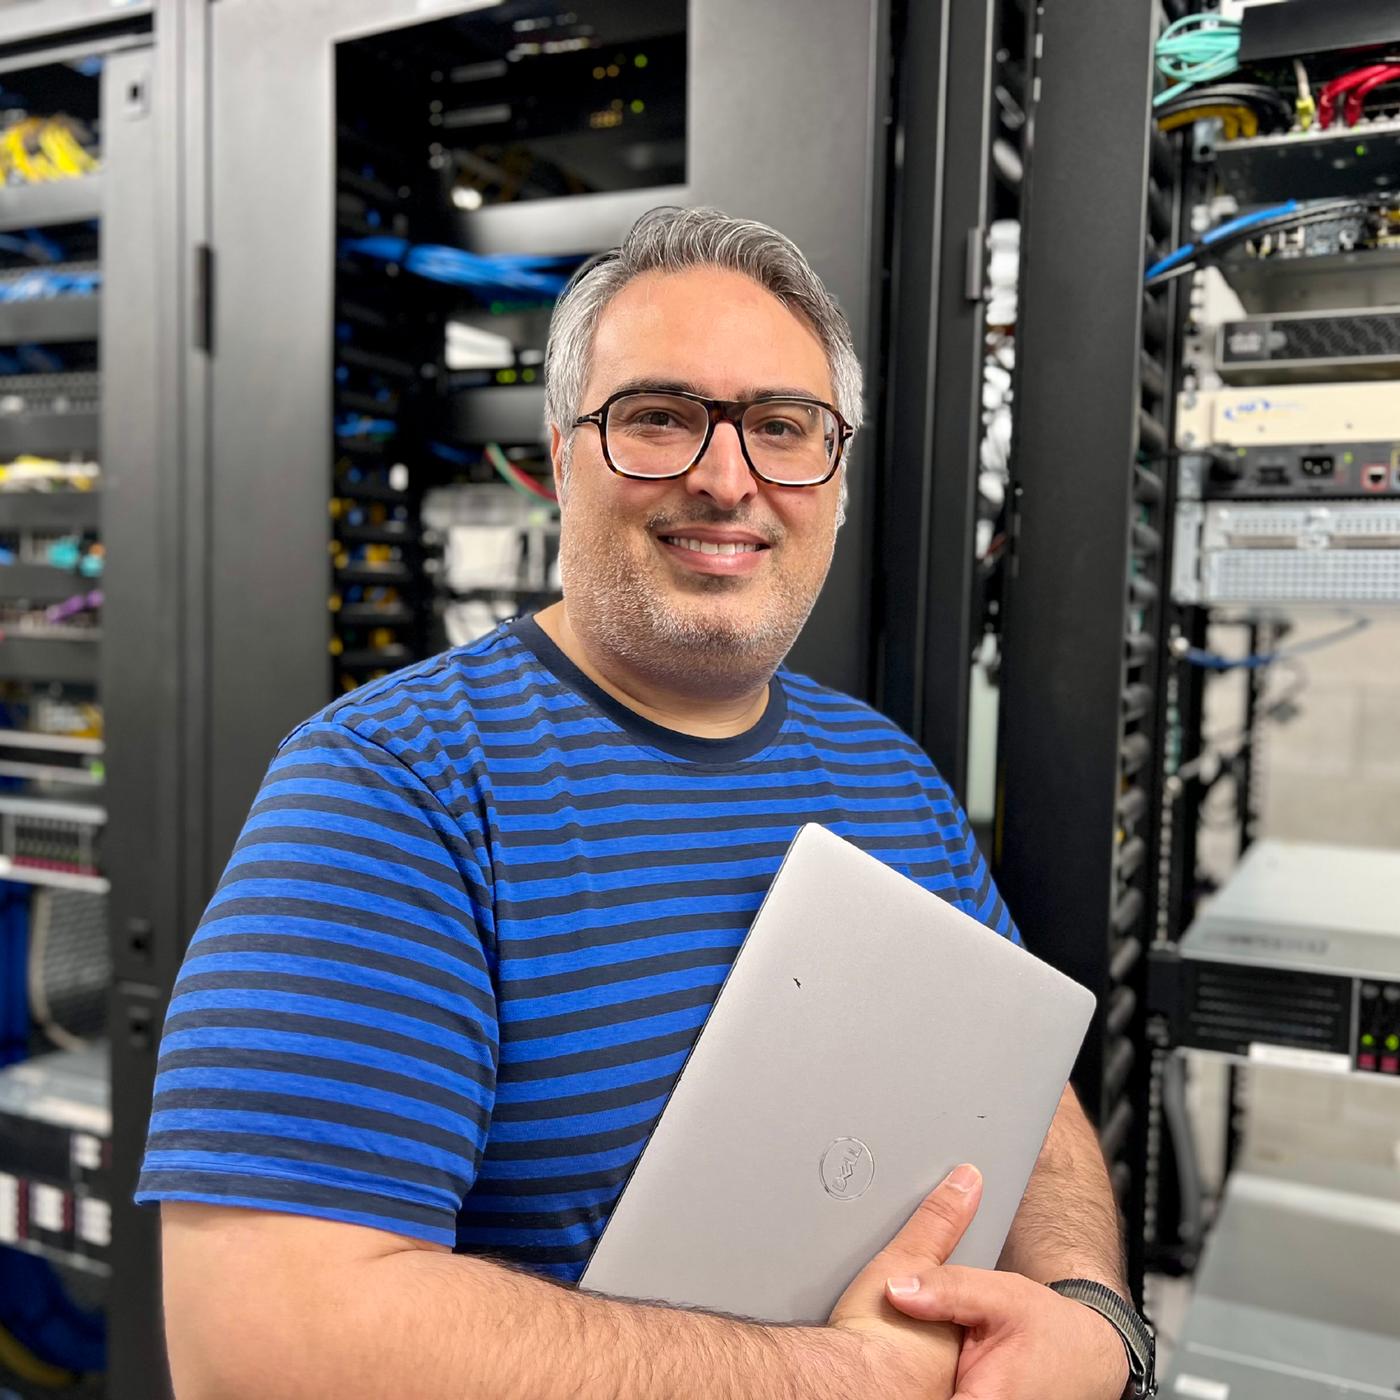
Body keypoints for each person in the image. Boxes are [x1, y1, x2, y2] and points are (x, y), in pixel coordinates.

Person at [144, 207, 1145, 1398]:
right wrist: (841, 1378)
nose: (728, 480)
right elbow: (260, 1340)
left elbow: (1022, 1099)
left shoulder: (886, 772)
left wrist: (1090, 1313)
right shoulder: (393, 788)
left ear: (832, 476)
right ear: (562, 456)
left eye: (783, 427)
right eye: (660, 418)